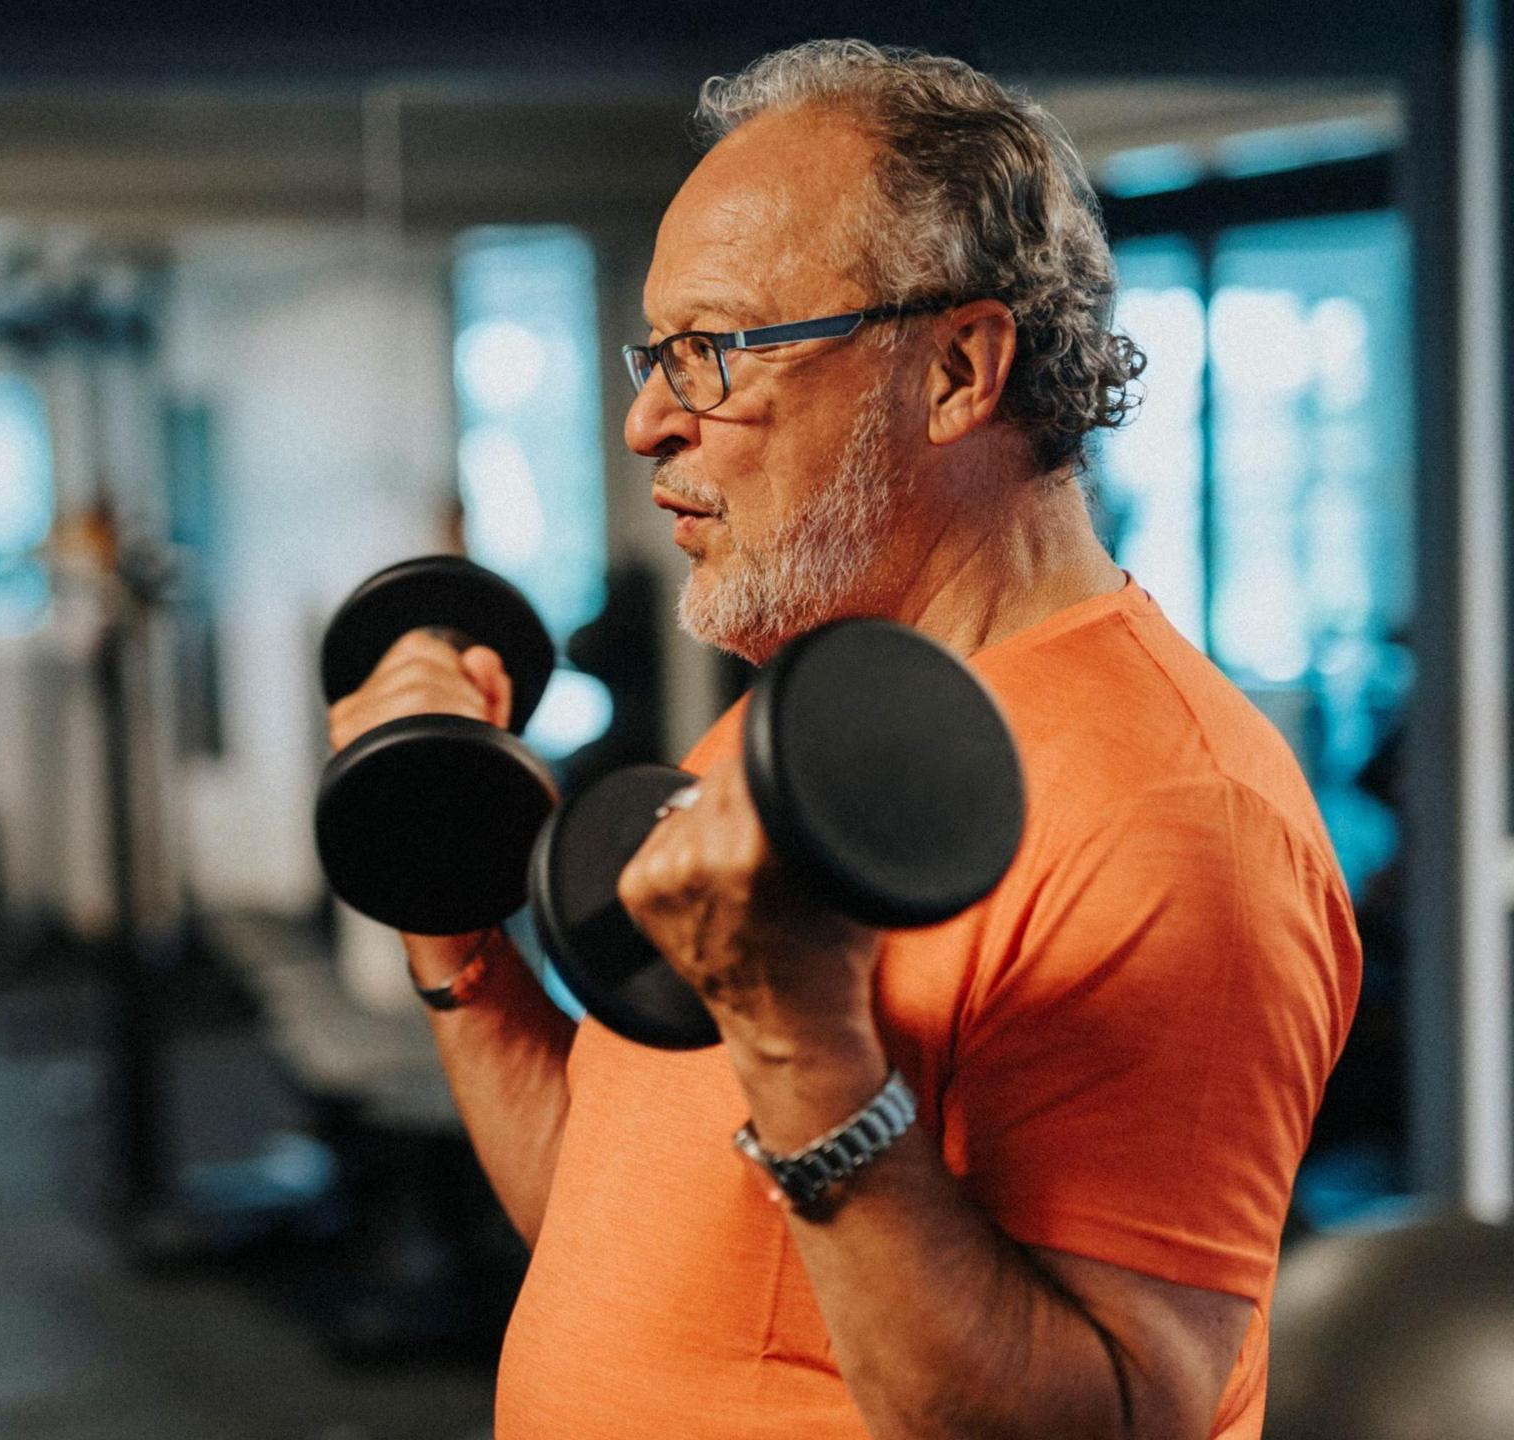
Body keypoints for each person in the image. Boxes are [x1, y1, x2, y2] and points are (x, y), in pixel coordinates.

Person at [327, 41, 1358, 1440]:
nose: (644, 422)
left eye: (711, 353)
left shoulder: (1176, 814)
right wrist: (448, 909)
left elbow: (1114, 1417)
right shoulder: (798, 725)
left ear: (956, 368)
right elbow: (612, 1225)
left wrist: (802, 1041)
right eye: (654, 354)